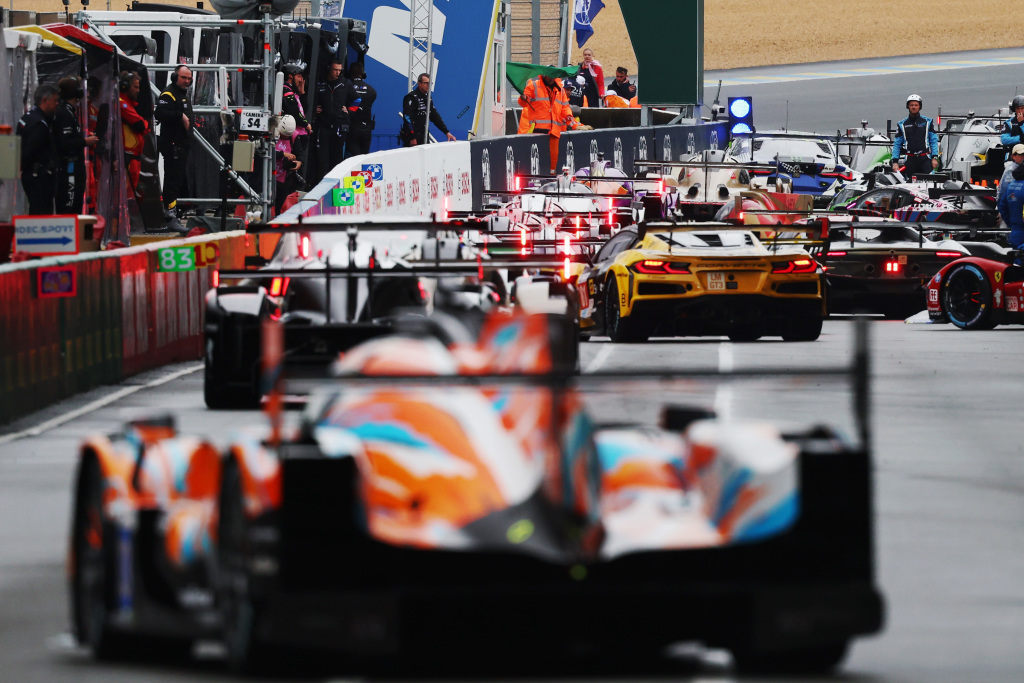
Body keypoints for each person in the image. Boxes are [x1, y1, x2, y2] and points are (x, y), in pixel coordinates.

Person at [517, 72, 590, 174]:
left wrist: (571, 119)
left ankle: (551, 175)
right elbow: (523, 102)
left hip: (554, 131)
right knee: (537, 160)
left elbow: (565, 108)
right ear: (544, 75)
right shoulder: (534, 86)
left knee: (552, 161)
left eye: (553, 76)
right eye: (549, 76)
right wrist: (523, 98)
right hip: (537, 130)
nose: (551, 78)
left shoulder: (560, 89)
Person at [154, 65, 194, 231]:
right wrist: (180, 115)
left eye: (189, 78)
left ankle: (173, 212)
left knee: (178, 180)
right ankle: (169, 215)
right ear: (174, 77)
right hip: (173, 145)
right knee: (172, 180)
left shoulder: (182, 94)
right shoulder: (169, 93)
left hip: (182, 145)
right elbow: (160, 113)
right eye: (183, 78)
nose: (187, 81)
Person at [54, 76, 98, 214]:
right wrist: (85, 142)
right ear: (77, 93)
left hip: (74, 168)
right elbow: (65, 142)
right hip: (69, 168)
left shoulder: (71, 112)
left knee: (75, 205)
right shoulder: (64, 113)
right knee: (69, 207)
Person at [16, 83, 60, 215]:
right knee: (41, 214)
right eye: (55, 100)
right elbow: (29, 151)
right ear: (45, 101)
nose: (57, 104)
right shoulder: (40, 125)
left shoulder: (28, 117)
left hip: (32, 175)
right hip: (39, 177)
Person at [312, 60, 353, 182]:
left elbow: (357, 100)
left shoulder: (346, 84)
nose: (338, 73)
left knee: (337, 159)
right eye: (335, 70)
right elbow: (310, 98)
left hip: (339, 127)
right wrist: (314, 108)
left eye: (340, 70)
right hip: (323, 126)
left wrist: (349, 111)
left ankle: (336, 184)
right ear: (329, 68)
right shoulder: (320, 82)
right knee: (322, 159)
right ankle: (321, 185)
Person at [119, 71, 151, 209]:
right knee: (124, 196)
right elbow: (141, 125)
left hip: (132, 158)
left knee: (129, 196)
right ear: (125, 86)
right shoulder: (122, 104)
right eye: (135, 87)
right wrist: (145, 123)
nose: (138, 90)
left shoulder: (128, 104)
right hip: (127, 158)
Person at [401, 73, 457, 146]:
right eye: (426, 83)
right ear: (419, 83)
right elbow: (407, 118)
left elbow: (434, 116)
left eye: (430, 83)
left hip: (424, 135)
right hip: (413, 137)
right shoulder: (411, 97)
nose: (428, 85)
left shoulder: (428, 97)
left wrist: (446, 132)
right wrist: (412, 137)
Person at [891, 94, 939, 179]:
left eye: (916, 105)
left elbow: (933, 140)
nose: (914, 107)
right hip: (910, 159)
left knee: (929, 181)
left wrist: (935, 157)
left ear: (920, 106)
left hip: (925, 158)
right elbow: (897, 144)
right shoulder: (902, 124)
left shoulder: (928, 122)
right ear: (908, 107)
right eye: (911, 105)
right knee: (910, 183)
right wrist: (895, 162)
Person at [345, 62, 377, 158]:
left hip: (352, 128)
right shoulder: (372, 90)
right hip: (366, 129)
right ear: (363, 74)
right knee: (364, 158)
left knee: (353, 158)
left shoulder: (346, 88)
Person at [274, 115, 303, 214]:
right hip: (268, 175)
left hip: (284, 177)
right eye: (283, 135)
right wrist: (282, 154)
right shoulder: (272, 133)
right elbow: (266, 152)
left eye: (288, 136)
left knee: (280, 203)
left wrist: (299, 162)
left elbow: (300, 153)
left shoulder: (294, 137)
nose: (285, 137)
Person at [997, 161, 1024, 252]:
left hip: (1015, 231)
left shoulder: (1011, 185)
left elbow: (1002, 206)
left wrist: (1011, 223)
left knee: (1017, 257)